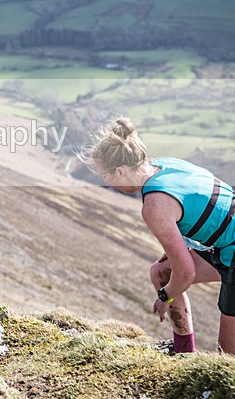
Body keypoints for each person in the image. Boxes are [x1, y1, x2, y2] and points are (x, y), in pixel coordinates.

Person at [84, 116, 235, 354]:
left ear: (121, 171)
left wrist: (165, 297)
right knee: (161, 272)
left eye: (106, 176)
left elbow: (186, 274)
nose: (106, 182)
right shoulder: (166, 165)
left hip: (231, 250)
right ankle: (183, 351)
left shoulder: (154, 206)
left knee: (227, 357)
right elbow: (200, 206)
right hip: (225, 245)